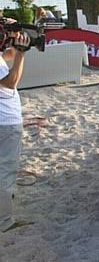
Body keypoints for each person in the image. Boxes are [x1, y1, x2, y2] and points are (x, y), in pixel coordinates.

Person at [0, 28, 32, 233]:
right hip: (5, 122)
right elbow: (10, 83)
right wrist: (21, 54)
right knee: (6, 170)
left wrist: (20, 46)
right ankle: (5, 221)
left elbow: (6, 55)